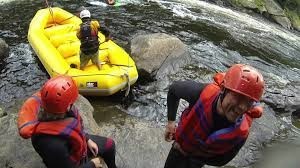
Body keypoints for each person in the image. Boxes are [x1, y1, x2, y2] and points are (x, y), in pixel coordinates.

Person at [164, 64, 265, 168]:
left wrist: (193, 156)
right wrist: (171, 122)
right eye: (238, 97)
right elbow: (173, 89)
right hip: (179, 149)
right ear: (222, 89)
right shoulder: (200, 93)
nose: (243, 107)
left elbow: (221, 161)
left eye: (249, 102)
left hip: (199, 159)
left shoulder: (242, 132)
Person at [18, 75, 117, 168]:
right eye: (72, 102)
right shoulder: (52, 144)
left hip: (74, 146)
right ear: (68, 106)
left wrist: (87, 139)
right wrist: (92, 164)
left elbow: (78, 129)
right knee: (107, 146)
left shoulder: (53, 109)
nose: (74, 104)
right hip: (64, 160)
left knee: (110, 144)